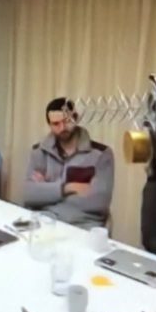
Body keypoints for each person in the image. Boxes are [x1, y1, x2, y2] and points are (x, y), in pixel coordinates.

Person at [23, 98, 114, 230]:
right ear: (49, 125)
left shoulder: (101, 154)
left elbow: (98, 203)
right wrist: (68, 188)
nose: (62, 128)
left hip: (84, 227)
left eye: (66, 121)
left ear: (75, 118)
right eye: (56, 124)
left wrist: (46, 190)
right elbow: (29, 195)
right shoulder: (39, 152)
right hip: (45, 223)